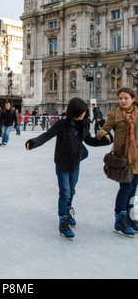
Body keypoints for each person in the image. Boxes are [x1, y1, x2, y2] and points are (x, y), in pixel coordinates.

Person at [25, 97, 111, 239]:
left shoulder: (84, 123)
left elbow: (89, 141)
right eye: (80, 112)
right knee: (65, 192)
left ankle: (68, 211)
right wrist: (33, 142)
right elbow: (47, 135)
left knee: (71, 191)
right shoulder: (62, 124)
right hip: (62, 162)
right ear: (73, 111)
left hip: (75, 163)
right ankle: (63, 220)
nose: (83, 114)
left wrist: (105, 141)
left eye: (84, 112)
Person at [97, 87, 138, 237]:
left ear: (133, 99)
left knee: (133, 188)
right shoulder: (115, 115)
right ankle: (119, 218)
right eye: (121, 98)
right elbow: (101, 130)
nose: (123, 101)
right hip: (123, 158)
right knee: (126, 188)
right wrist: (105, 134)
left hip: (137, 158)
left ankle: (129, 215)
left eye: (126, 98)